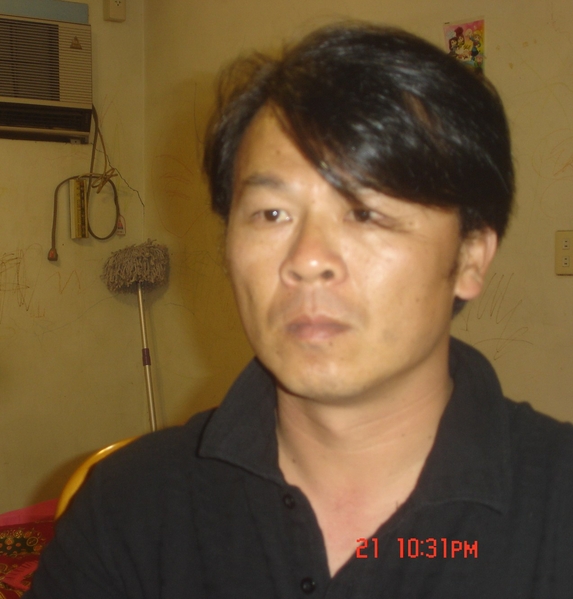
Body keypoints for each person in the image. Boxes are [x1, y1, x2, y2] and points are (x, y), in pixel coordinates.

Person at [26, 22, 573, 599]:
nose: (307, 260)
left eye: (366, 212)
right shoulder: (129, 509)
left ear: (470, 257)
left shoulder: (557, 509)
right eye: (272, 214)